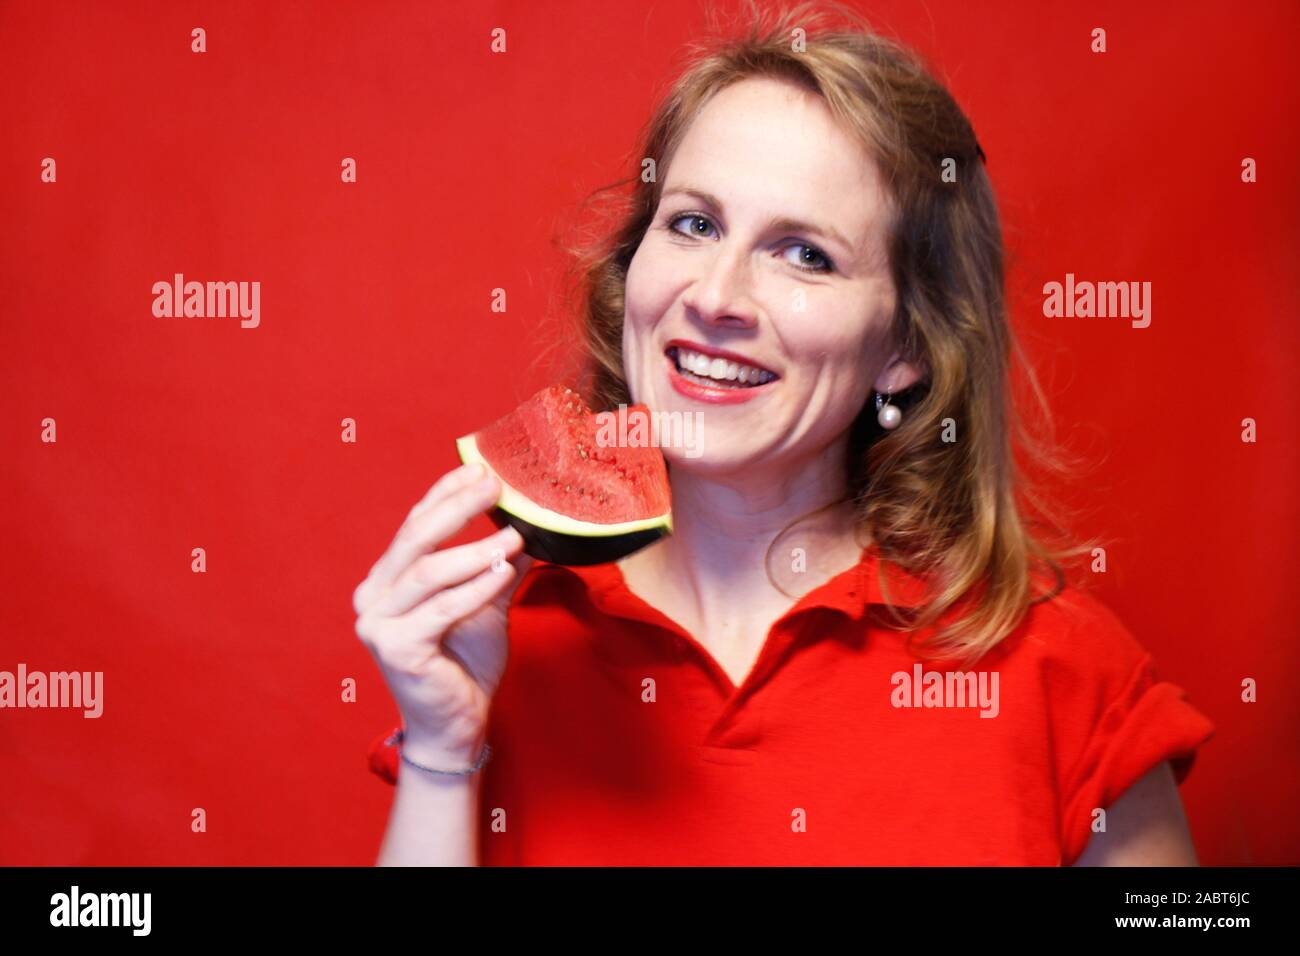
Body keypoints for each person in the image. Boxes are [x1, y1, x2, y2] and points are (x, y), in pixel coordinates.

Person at [352, 1, 1215, 866]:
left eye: (805, 254)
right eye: (694, 224)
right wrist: (441, 757)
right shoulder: (502, 658)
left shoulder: (1063, 674)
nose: (717, 296)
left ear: (906, 350)